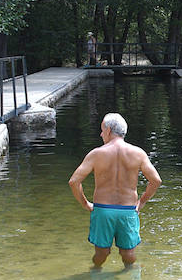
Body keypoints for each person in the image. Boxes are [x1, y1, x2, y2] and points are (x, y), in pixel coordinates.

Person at [68, 112, 162, 267]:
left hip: (103, 210)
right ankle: (130, 279)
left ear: (109, 131)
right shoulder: (138, 153)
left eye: (102, 129)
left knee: (101, 253)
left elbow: (74, 181)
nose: (100, 133)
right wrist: (142, 202)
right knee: (128, 254)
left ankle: (95, 272)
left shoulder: (97, 154)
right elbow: (156, 181)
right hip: (128, 209)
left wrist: (85, 204)